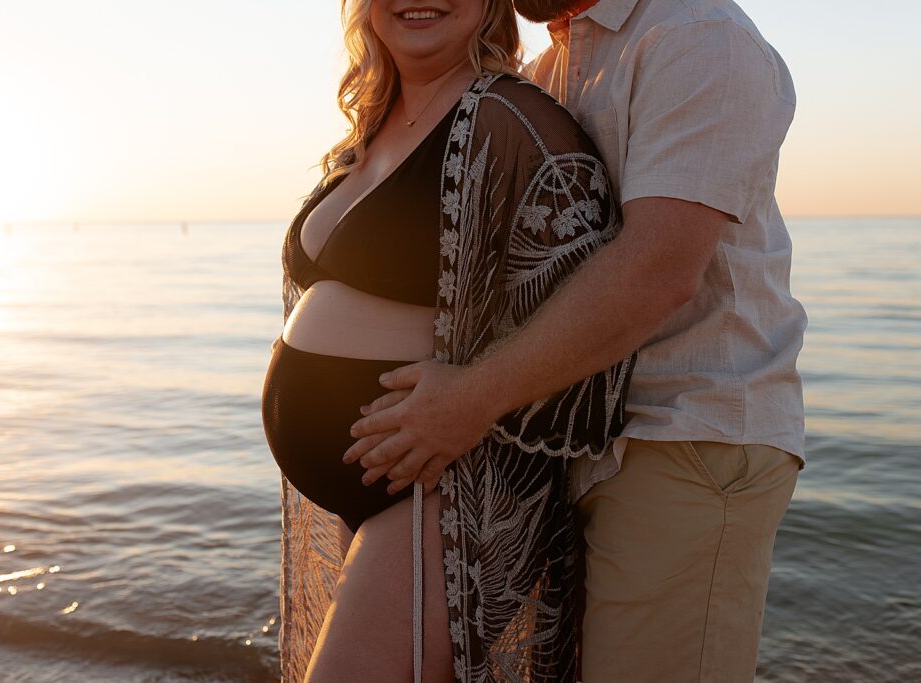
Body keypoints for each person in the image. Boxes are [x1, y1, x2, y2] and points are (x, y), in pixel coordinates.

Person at [345, 0, 808, 681]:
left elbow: (659, 270)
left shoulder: (699, 38)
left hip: (684, 434)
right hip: (572, 435)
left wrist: (469, 399)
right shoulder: (558, 62)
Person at [261, 0, 634, 680]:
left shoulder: (518, 121)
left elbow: (591, 323)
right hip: (367, 483)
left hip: (439, 491)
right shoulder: (370, 125)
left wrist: (474, 404)